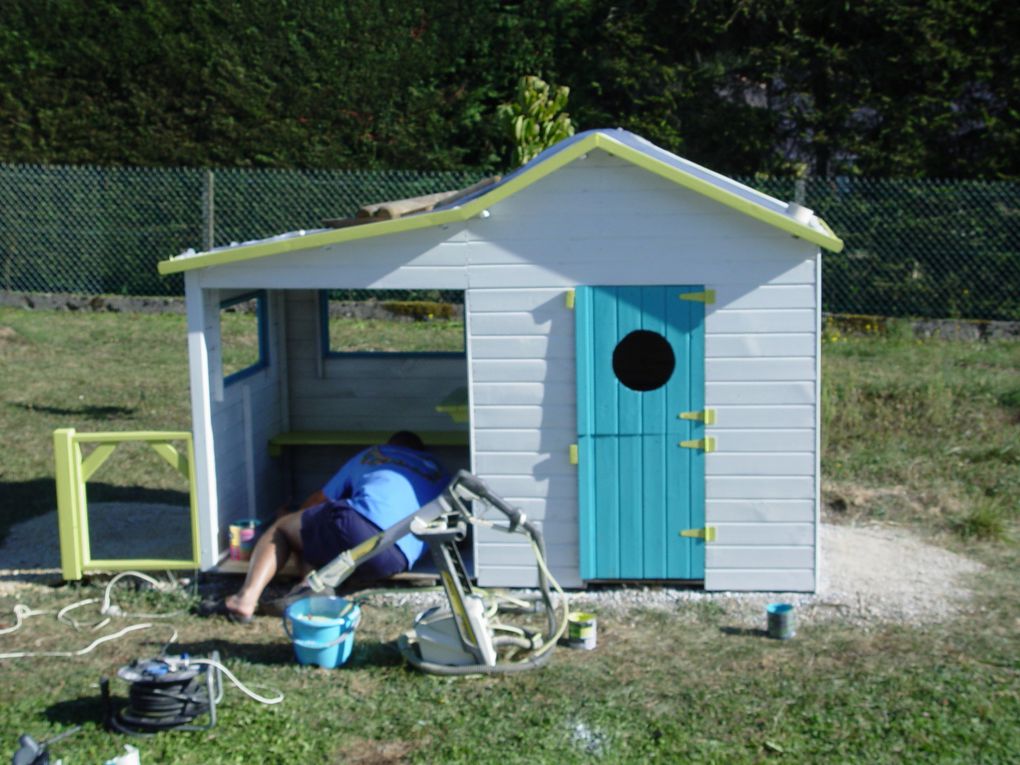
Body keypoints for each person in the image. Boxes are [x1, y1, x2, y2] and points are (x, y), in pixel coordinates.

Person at [219, 431, 449, 622]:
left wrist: (291, 517)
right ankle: (307, 591)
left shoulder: (375, 454)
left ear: (390, 445)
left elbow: (320, 500)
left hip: (357, 527)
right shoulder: (440, 471)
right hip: (395, 559)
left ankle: (245, 601)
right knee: (317, 534)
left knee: (284, 529)